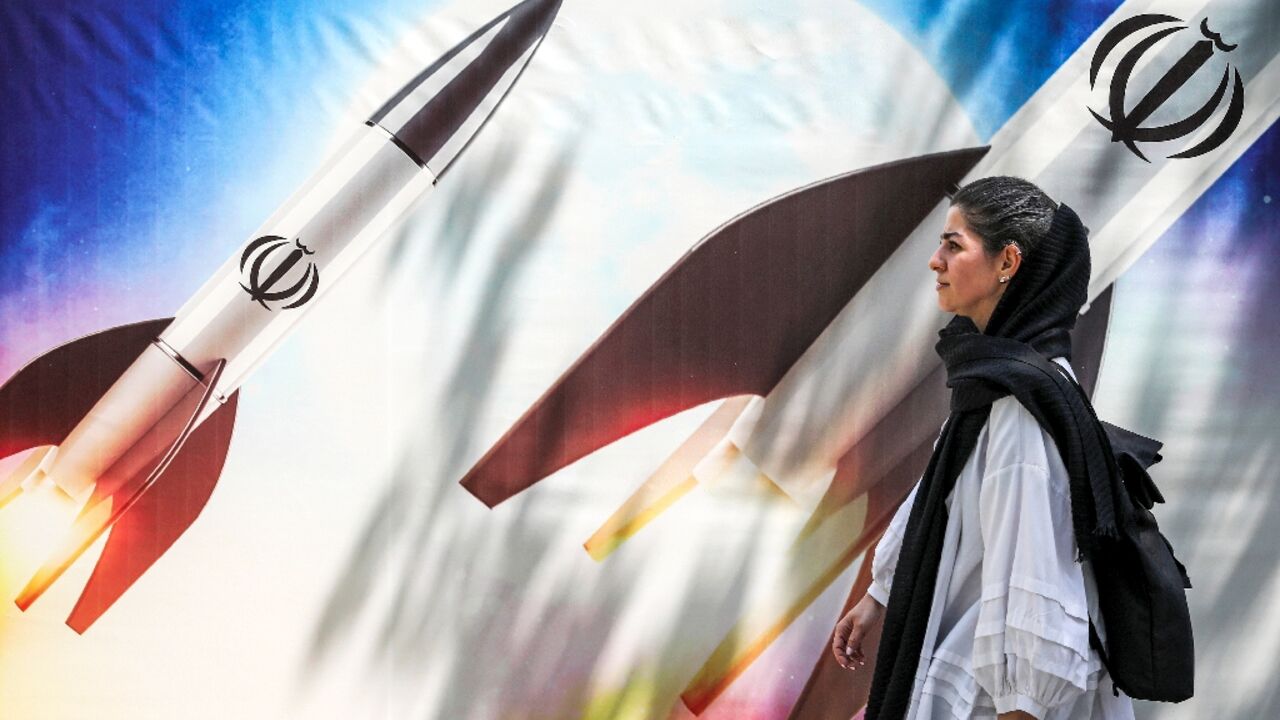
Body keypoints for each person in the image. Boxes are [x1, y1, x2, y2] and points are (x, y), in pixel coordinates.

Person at [830, 177, 1134, 720]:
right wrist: (879, 594)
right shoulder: (998, 381)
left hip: (991, 698)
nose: (935, 261)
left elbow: (1041, 570)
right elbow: (941, 494)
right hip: (972, 673)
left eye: (953, 245)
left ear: (1007, 263)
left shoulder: (1022, 406)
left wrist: (1023, 705)